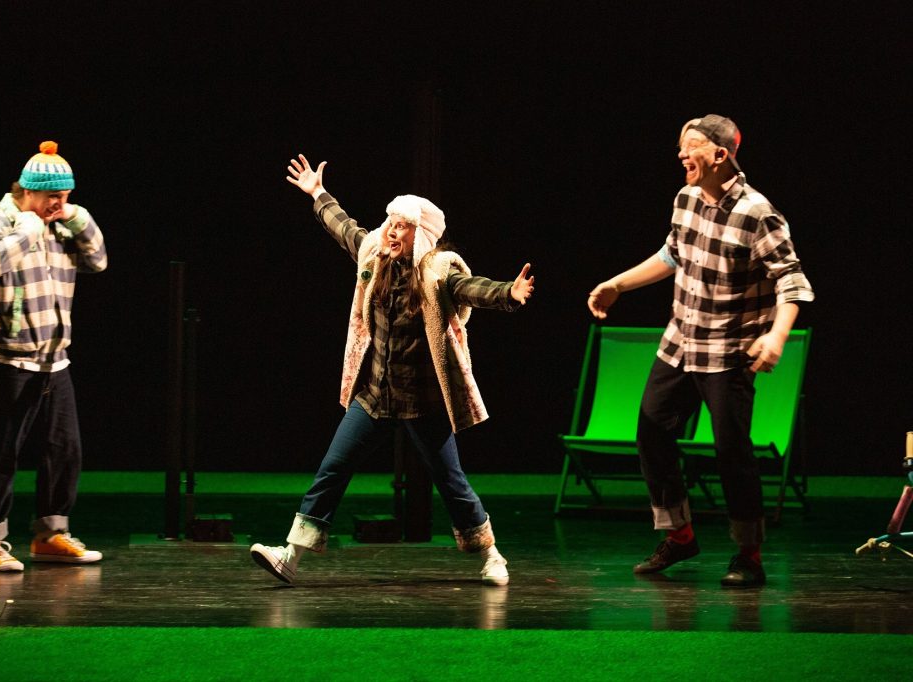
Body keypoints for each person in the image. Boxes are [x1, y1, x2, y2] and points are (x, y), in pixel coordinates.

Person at [250, 154, 535, 586]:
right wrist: (318, 193)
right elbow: (345, 228)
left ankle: (492, 554)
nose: (391, 231)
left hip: (422, 401)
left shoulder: (437, 271)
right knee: (332, 468)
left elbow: (471, 289)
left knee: (450, 481)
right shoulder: (374, 255)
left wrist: (509, 293)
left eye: (402, 226)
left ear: (420, 236)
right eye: (390, 223)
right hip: (374, 396)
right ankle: (291, 555)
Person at [587, 115, 814, 587]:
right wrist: (618, 284)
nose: (681, 155)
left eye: (690, 146)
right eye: (680, 146)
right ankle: (680, 535)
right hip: (680, 342)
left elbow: (792, 281)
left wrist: (776, 336)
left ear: (720, 154)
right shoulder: (685, 198)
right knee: (651, 430)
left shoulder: (757, 213)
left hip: (727, 351)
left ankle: (749, 553)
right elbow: (672, 254)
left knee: (731, 451)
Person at [0, 141, 107, 572]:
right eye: (53, 197)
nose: (58, 205)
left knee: (64, 450)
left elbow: (98, 261)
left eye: (65, 197)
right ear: (28, 191)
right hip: (8, 361)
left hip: (55, 360)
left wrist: (77, 218)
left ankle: (50, 535)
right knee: (1, 454)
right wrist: (28, 229)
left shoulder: (61, 223)